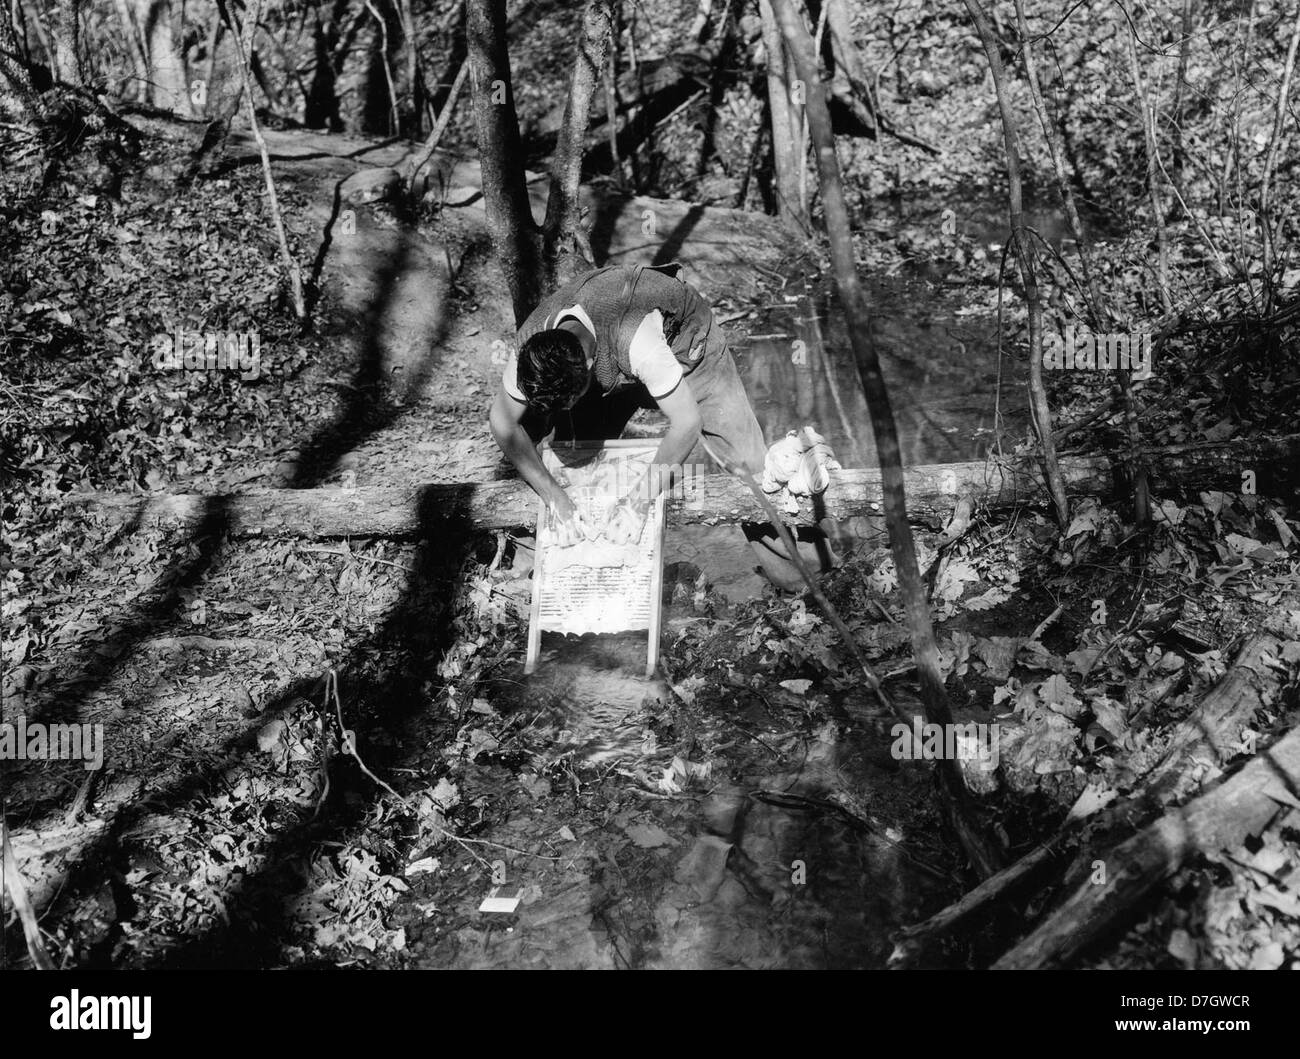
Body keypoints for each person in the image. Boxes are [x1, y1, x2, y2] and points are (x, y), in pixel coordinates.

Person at [487, 262, 827, 592]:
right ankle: (561, 577)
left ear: (589, 366)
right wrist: (555, 497)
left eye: (568, 402)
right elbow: (502, 423)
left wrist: (639, 502)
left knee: (749, 466)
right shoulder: (532, 354)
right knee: (574, 464)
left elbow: (686, 423)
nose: (564, 411)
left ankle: (810, 577)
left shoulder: (638, 340)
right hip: (606, 367)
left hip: (686, 345)